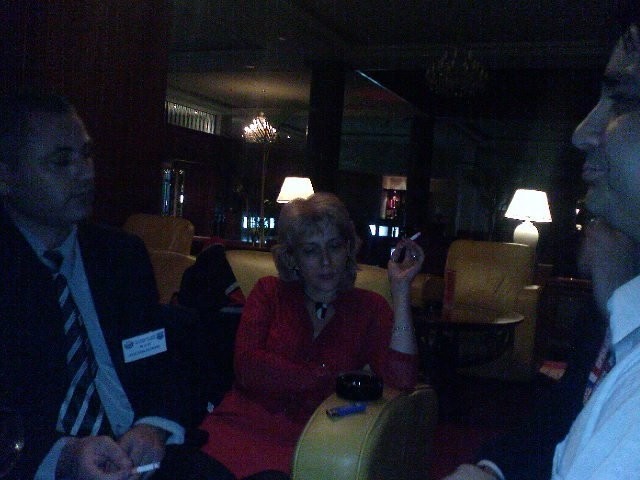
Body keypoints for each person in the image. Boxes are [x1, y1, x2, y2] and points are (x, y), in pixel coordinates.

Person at [442, 21, 640, 480]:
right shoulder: (616, 285)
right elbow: (566, 413)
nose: (581, 133)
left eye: (626, 98)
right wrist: (490, 469)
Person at [0, 92, 232, 480]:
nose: (85, 173)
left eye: (86, 154)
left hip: (140, 455)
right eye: (62, 161)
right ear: (6, 176)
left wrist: (155, 426)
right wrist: (63, 456)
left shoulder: (120, 255)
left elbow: (159, 361)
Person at [198, 192, 423, 478]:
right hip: (238, 426)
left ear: (349, 249)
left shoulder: (369, 307)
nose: (326, 261)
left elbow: (402, 379)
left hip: (310, 441)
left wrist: (400, 291)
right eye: (311, 251)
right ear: (292, 258)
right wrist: (328, 378)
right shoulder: (268, 292)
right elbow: (247, 368)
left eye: (334, 247)